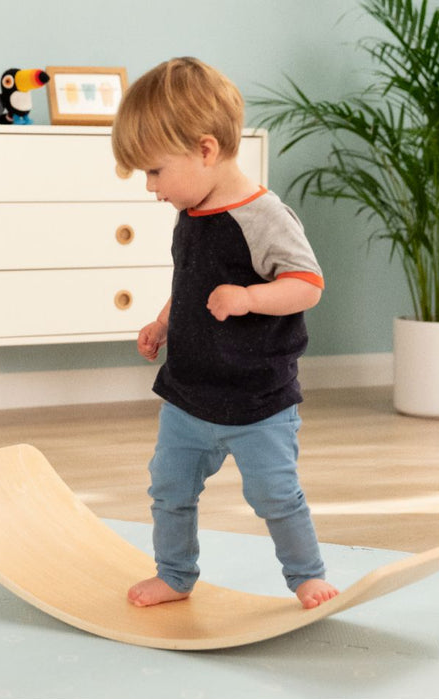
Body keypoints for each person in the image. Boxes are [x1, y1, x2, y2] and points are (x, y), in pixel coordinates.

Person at [111, 57, 338, 610]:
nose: (150, 187)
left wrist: (250, 298)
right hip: (188, 395)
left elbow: (308, 284)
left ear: (205, 150)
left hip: (256, 399)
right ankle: (174, 575)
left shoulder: (264, 217)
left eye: (156, 172)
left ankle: (306, 576)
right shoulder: (191, 211)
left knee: (276, 496)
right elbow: (190, 282)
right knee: (168, 490)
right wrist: (164, 321)